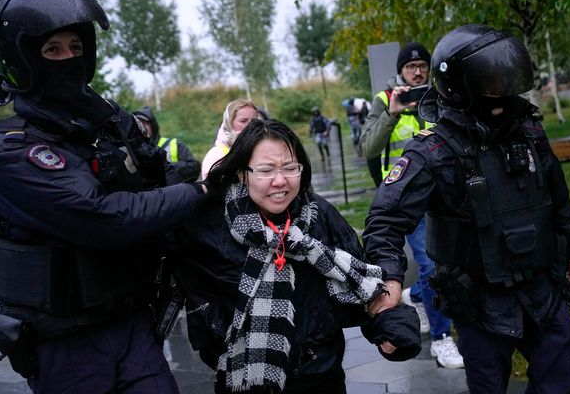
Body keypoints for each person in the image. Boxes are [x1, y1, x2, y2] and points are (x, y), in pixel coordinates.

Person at [0, 0, 205, 393]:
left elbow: (156, 176)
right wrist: (200, 191)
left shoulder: (103, 125)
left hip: (131, 322)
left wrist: (220, 169)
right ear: (21, 58)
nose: (69, 58)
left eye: (76, 47)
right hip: (66, 343)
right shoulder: (12, 151)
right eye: (53, 49)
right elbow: (103, 219)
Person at [363, 24, 570, 393]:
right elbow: (384, 219)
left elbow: (556, 193)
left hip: (540, 286)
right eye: (492, 79)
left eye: (506, 75)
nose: (503, 85)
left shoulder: (527, 130)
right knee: (489, 386)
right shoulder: (433, 151)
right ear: (462, 85)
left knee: (563, 370)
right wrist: (388, 279)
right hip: (478, 301)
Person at [171, 119, 420, 393]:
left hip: (321, 375)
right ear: (242, 173)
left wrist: (391, 328)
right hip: (243, 380)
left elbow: (360, 283)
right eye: (266, 170)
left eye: (290, 168)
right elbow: (195, 297)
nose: (280, 181)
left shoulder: (319, 215)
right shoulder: (208, 225)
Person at [359, 41, 464, 369]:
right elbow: (368, 148)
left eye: (422, 66)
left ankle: (419, 298)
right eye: (410, 67)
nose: (417, 71)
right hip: (402, 198)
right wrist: (392, 114)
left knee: (442, 266)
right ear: (400, 71)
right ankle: (442, 338)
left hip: (440, 197)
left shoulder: (441, 95)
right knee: (431, 266)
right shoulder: (383, 101)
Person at [134, 105, 201, 183]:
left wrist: (166, 167)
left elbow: (194, 167)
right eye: (139, 123)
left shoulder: (173, 144)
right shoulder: (131, 150)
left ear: (153, 125)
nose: (142, 127)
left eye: (145, 123)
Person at [201, 98, 259, 179]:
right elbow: (213, 189)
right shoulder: (217, 155)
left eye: (254, 121)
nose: (250, 125)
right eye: (243, 121)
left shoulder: (261, 149)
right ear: (230, 123)